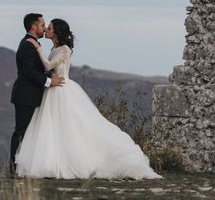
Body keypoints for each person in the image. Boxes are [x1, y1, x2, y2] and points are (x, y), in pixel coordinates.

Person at [14, 18, 161, 179]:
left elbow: (49, 65)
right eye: (45, 27)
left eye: (49, 28)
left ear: (56, 33)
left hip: (61, 90)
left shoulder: (64, 49)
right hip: (52, 90)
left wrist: (38, 48)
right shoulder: (54, 48)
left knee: (71, 126)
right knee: (54, 128)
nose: (46, 30)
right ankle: (53, 162)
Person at [9, 13, 65, 176]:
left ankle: (25, 167)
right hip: (26, 95)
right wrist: (49, 82)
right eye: (42, 25)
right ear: (34, 27)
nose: (45, 28)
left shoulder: (34, 44)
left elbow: (40, 68)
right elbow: (28, 72)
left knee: (31, 132)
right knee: (21, 132)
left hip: (34, 95)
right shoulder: (27, 45)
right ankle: (14, 169)